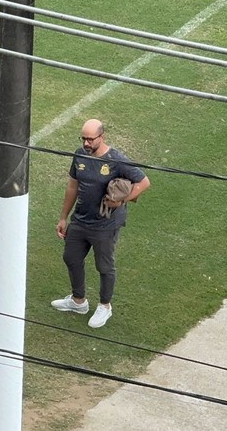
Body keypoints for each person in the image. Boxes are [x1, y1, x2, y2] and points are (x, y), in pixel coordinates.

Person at [53, 119, 150, 328]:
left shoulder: (116, 160)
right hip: (80, 219)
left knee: (104, 266)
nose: (86, 143)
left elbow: (144, 182)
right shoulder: (80, 155)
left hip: (105, 224)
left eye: (90, 139)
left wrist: (121, 201)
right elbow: (72, 186)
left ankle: (105, 306)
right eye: (84, 139)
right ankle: (78, 301)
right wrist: (63, 217)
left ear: (102, 137)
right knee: (71, 257)